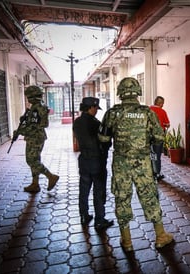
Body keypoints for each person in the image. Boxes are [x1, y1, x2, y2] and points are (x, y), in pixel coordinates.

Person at [98, 77, 174, 252]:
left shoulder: (112, 113)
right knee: (149, 196)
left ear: (121, 93)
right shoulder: (148, 113)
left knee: (122, 197)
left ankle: (127, 241)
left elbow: (103, 139)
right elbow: (159, 137)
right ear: (138, 92)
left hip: (121, 163)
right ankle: (161, 236)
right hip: (143, 163)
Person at [73, 97, 114, 231]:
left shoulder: (77, 122)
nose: (96, 111)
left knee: (84, 190)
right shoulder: (96, 124)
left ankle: (84, 215)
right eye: (96, 108)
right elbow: (105, 141)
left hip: (84, 160)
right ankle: (99, 220)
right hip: (97, 161)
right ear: (91, 107)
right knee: (99, 190)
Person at [14, 85, 59, 193]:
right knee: (35, 160)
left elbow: (38, 125)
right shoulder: (38, 106)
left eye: (28, 96)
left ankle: (51, 176)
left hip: (35, 137)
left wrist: (20, 131)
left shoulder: (37, 107)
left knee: (31, 160)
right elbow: (35, 122)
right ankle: (35, 184)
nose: (28, 99)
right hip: (36, 137)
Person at [149, 96, 170, 181]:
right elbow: (167, 124)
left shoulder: (148, 110)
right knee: (157, 155)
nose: (163, 105)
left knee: (150, 154)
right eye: (162, 103)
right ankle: (157, 173)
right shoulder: (162, 111)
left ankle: (150, 173)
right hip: (158, 136)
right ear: (160, 103)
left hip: (148, 136)